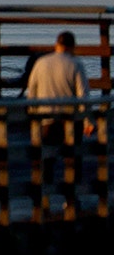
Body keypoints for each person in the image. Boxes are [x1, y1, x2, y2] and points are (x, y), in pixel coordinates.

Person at [25, 30, 94, 198]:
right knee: (72, 160)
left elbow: (31, 91)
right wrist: (87, 122)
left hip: (46, 119)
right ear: (72, 46)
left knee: (46, 161)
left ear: (56, 44)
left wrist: (34, 117)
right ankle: (70, 200)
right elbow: (83, 96)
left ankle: (43, 199)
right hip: (70, 121)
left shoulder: (41, 62)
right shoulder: (76, 64)